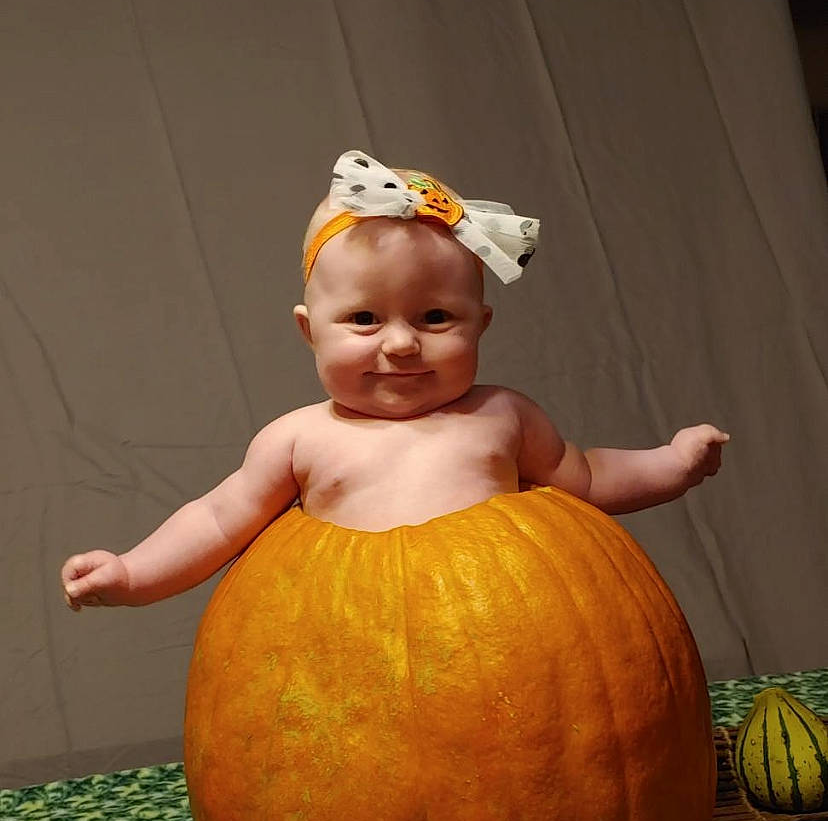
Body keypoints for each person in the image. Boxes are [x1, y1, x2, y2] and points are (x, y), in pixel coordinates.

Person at [61, 149, 729, 611]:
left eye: (436, 316)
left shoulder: (502, 417)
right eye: (364, 318)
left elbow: (586, 479)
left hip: (506, 643)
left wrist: (673, 463)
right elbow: (214, 521)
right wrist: (131, 573)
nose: (403, 342)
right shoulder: (298, 441)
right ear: (308, 331)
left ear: (482, 324)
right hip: (351, 661)